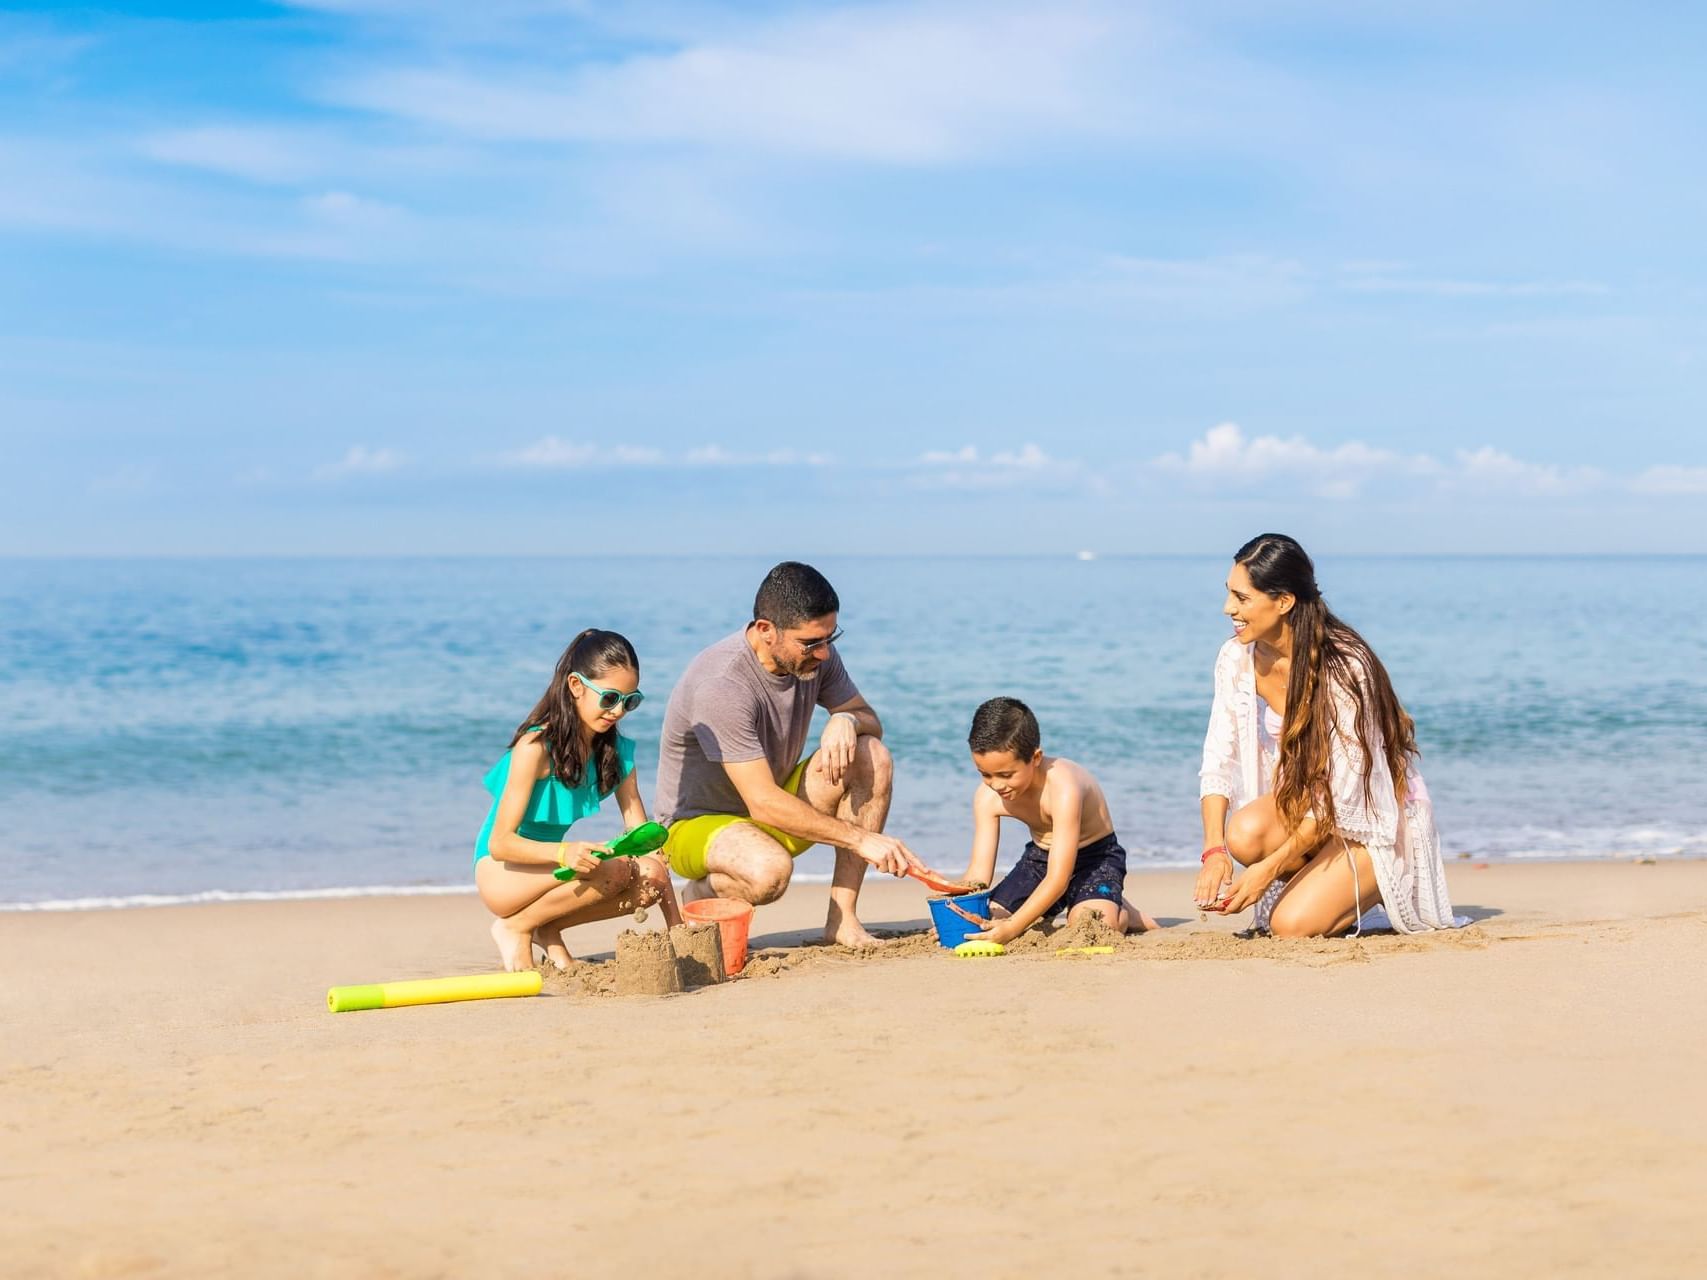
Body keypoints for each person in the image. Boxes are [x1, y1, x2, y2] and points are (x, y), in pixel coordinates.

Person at [1194, 533, 1457, 936]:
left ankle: (1372, 883)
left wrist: (1267, 872)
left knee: (1289, 926)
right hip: (1310, 810)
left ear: (1284, 601)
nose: (1228, 608)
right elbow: (1218, 756)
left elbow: (1345, 797)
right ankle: (1327, 886)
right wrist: (1214, 852)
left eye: (1242, 598)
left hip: (1372, 820)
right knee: (1243, 835)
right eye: (1229, 594)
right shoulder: (1236, 657)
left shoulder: (1346, 667)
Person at [654, 561, 922, 947]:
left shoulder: (817, 656)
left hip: (769, 803)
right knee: (770, 873)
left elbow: (870, 722)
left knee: (872, 755)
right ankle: (700, 896)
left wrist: (846, 720)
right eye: (811, 643)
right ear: (766, 630)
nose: (825, 653)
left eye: (831, 637)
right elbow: (763, 803)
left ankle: (842, 921)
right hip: (694, 827)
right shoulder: (722, 684)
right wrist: (859, 839)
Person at [475, 628, 680, 971]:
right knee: (613, 870)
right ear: (576, 686)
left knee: (650, 878)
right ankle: (516, 927)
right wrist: (564, 851)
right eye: (610, 698)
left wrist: (676, 922)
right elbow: (500, 843)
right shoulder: (536, 748)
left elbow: (643, 841)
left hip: (552, 868)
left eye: (630, 702)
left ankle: (548, 927)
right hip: (503, 872)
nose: (618, 711)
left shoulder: (618, 755)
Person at [949, 697, 1157, 944]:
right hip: (1041, 858)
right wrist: (955, 912)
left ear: (1035, 758)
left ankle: (1122, 912)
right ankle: (1090, 899)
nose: (996, 785)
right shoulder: (987, 797)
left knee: (1089, 927)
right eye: (985, 774)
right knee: (990, 916)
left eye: (1006, 774)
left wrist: (1012, 929)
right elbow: (978, 875)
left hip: (1094, 859)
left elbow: (1058, 879)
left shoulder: (1063, 787)